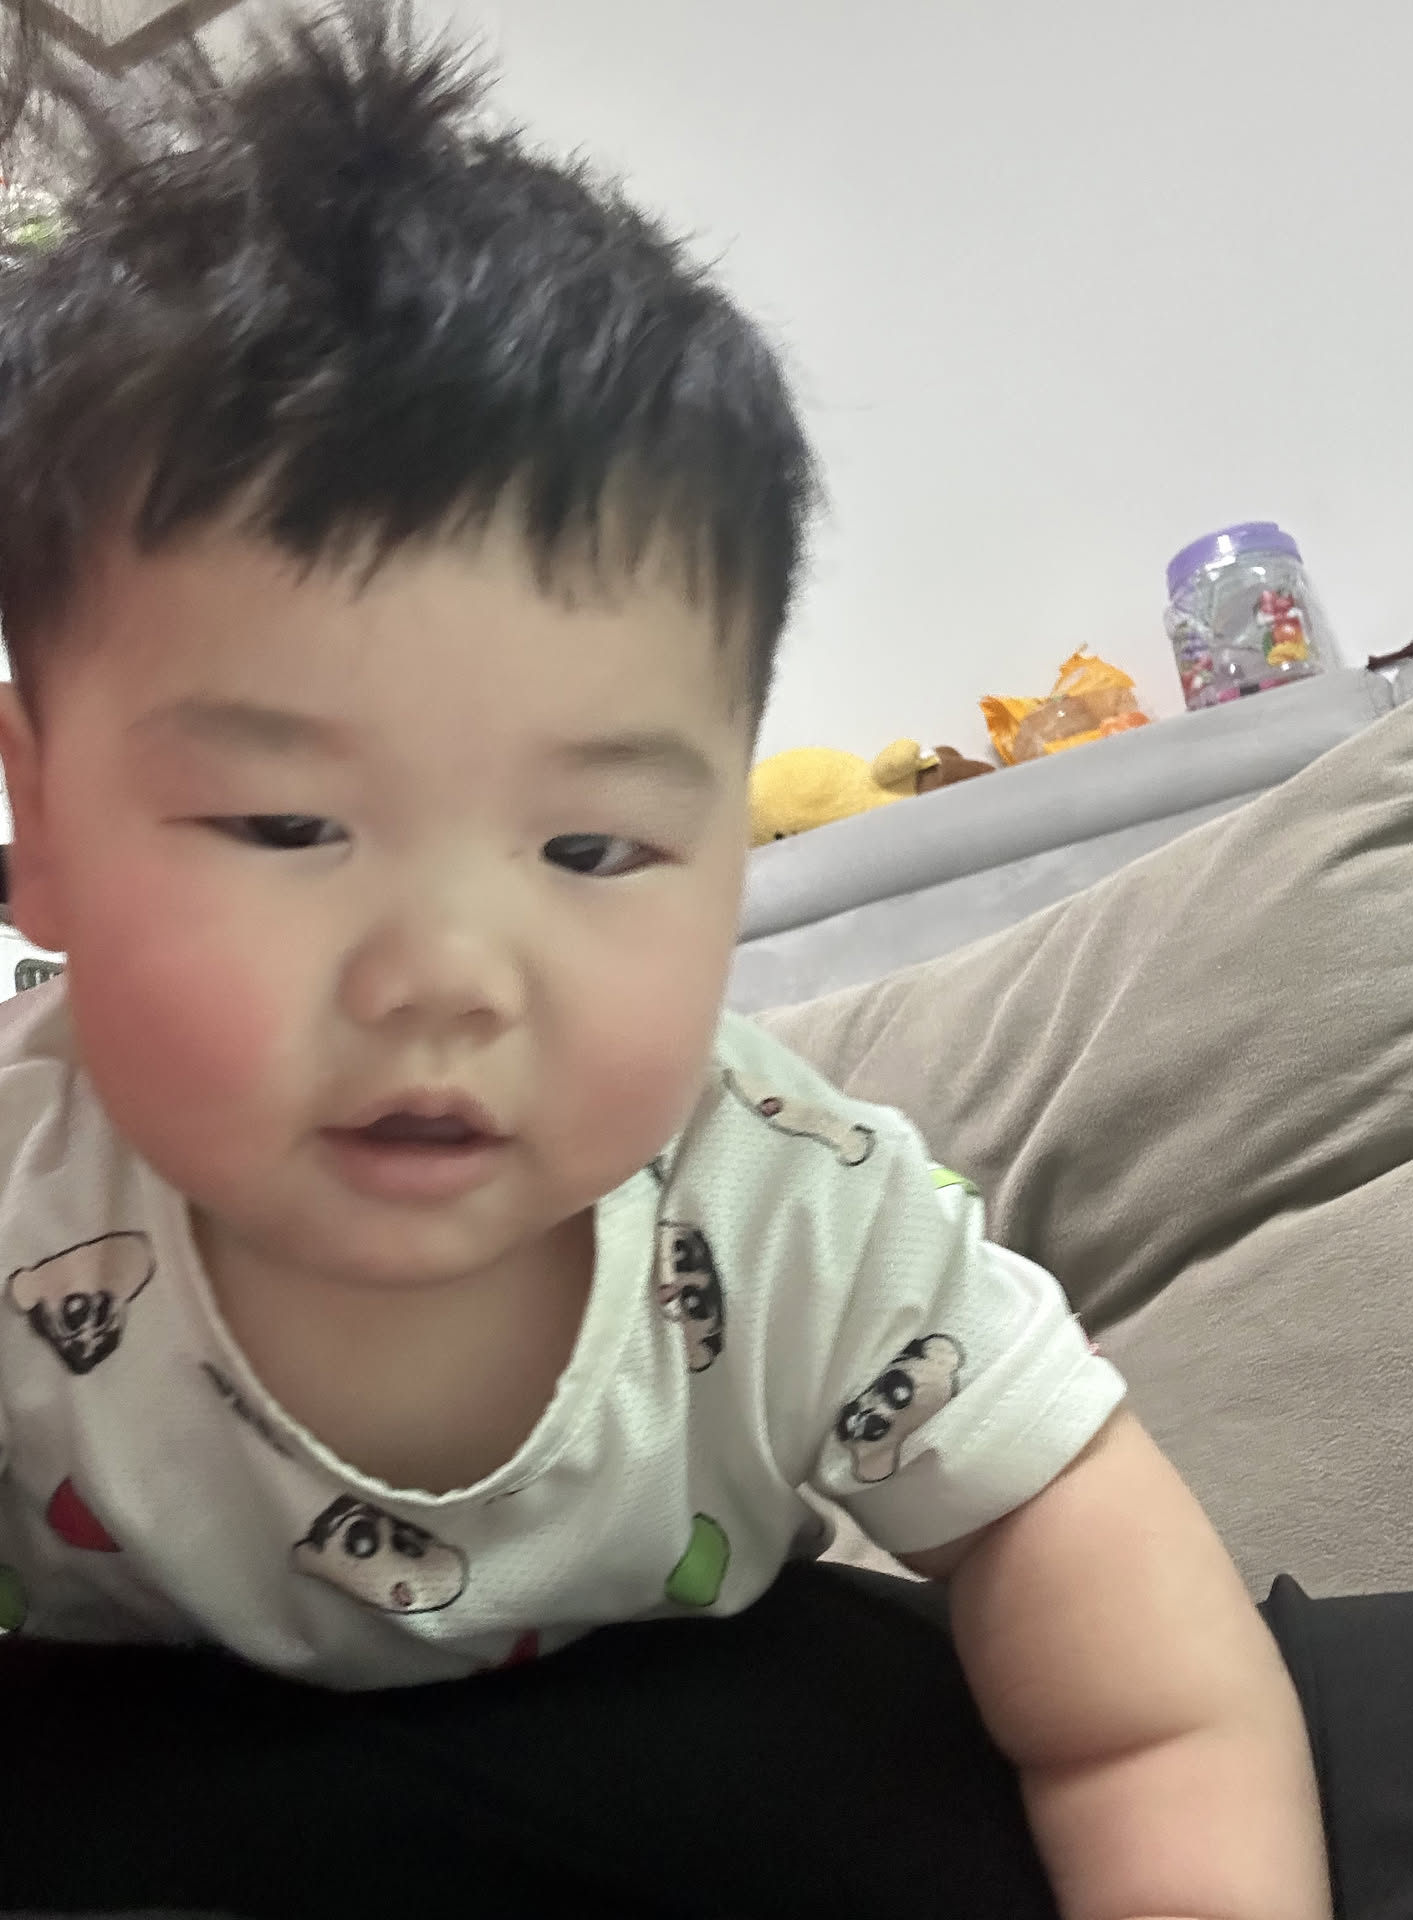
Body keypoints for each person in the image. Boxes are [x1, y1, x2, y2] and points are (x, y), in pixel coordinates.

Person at [0, 6, 1329, 1916]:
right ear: (39, 825)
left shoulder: (800, 1220)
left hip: (716, 1766)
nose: (447, 976)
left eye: (592, 849)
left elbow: (1147, 1702)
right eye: (286, 826)